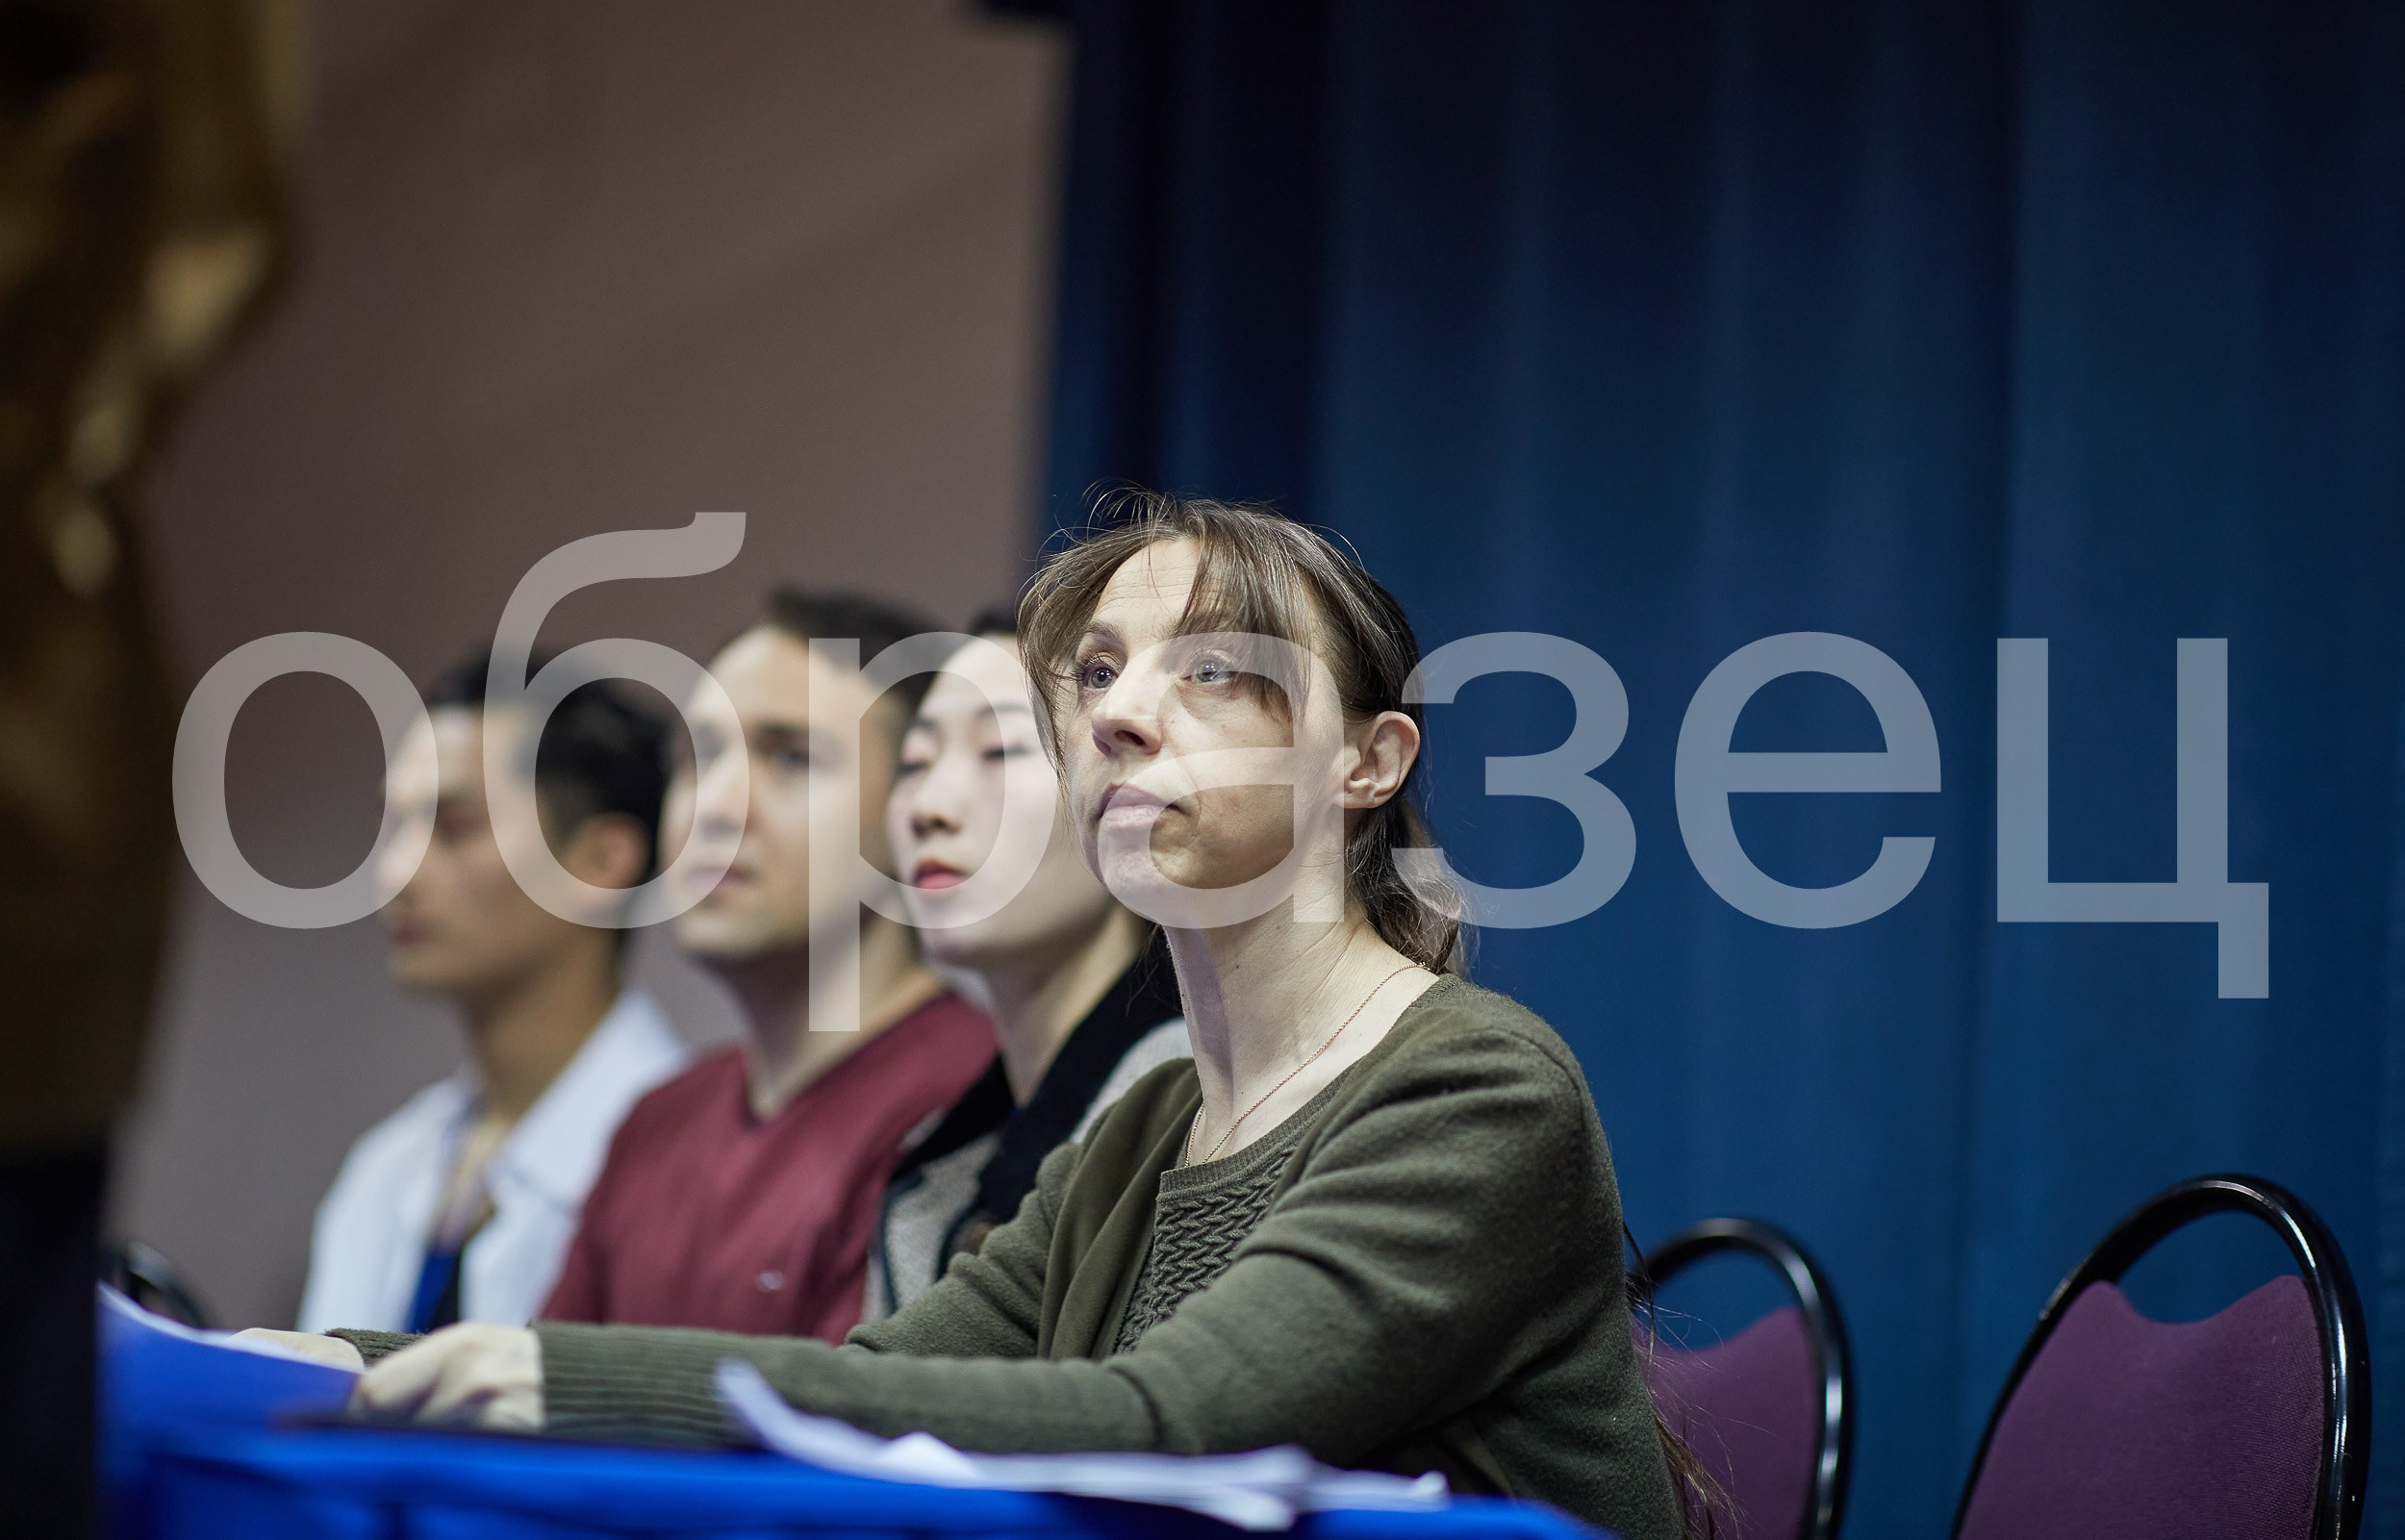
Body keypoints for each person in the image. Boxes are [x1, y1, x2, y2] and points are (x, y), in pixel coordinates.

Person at [292, 500, 1687, 1540]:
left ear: (1370, 762)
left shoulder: (1478, 1082)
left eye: (1212, 667)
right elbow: (865, 1377)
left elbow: (1174, 1425)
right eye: (1093, 673)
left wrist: (530, 1376)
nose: (1123, 713)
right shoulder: (1143, 1126)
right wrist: (357, 1361)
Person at [534, 592, 997, 1340]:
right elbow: (531, 1400)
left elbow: (841, 1427)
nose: (716, 806)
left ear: (917, 807)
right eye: (699, 757)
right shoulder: (657, 1121)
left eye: (790, 757)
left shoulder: (973, 1101)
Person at [298, 652, 688, 1333]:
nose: (394, 872)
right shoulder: (388, 1165)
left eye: (454, 828)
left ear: (602, 861)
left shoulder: (685, 1172)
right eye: (395, 827)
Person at [865, 612, 1188, 1320]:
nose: (931, 807)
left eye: (1000, 750)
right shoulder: (939, 1154)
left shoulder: (1197, 1110)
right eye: (915, 763)